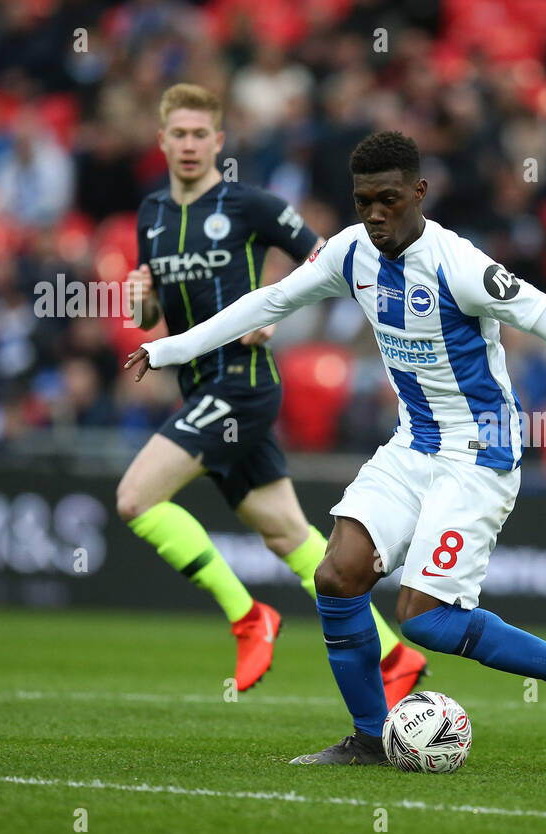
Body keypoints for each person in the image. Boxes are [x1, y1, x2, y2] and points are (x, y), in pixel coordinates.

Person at [126, 131, 546, 771]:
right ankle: (369, 738)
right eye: (363, 202)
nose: (375, 214)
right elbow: (272, 300)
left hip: (479, 454)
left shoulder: (460, 266)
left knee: (426, 621)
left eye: (389, 199)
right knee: (336, 575)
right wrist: (172, 347)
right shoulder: (351, 252)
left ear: (419, 193)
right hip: (413, 444)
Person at [116, 85, 426, 704]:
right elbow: (154, 315)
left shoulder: (249, 204)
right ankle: (394, 656)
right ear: (162, 140)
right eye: (178, 134)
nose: (189, 145)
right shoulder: (151, 214)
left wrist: (279, 313)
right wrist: (142, 303)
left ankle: (248, 616)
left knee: (135, 499)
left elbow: (326, 256)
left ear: (217, 142)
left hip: (244, 382)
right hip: (199, 387)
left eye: (200, 134)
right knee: (287, 535)